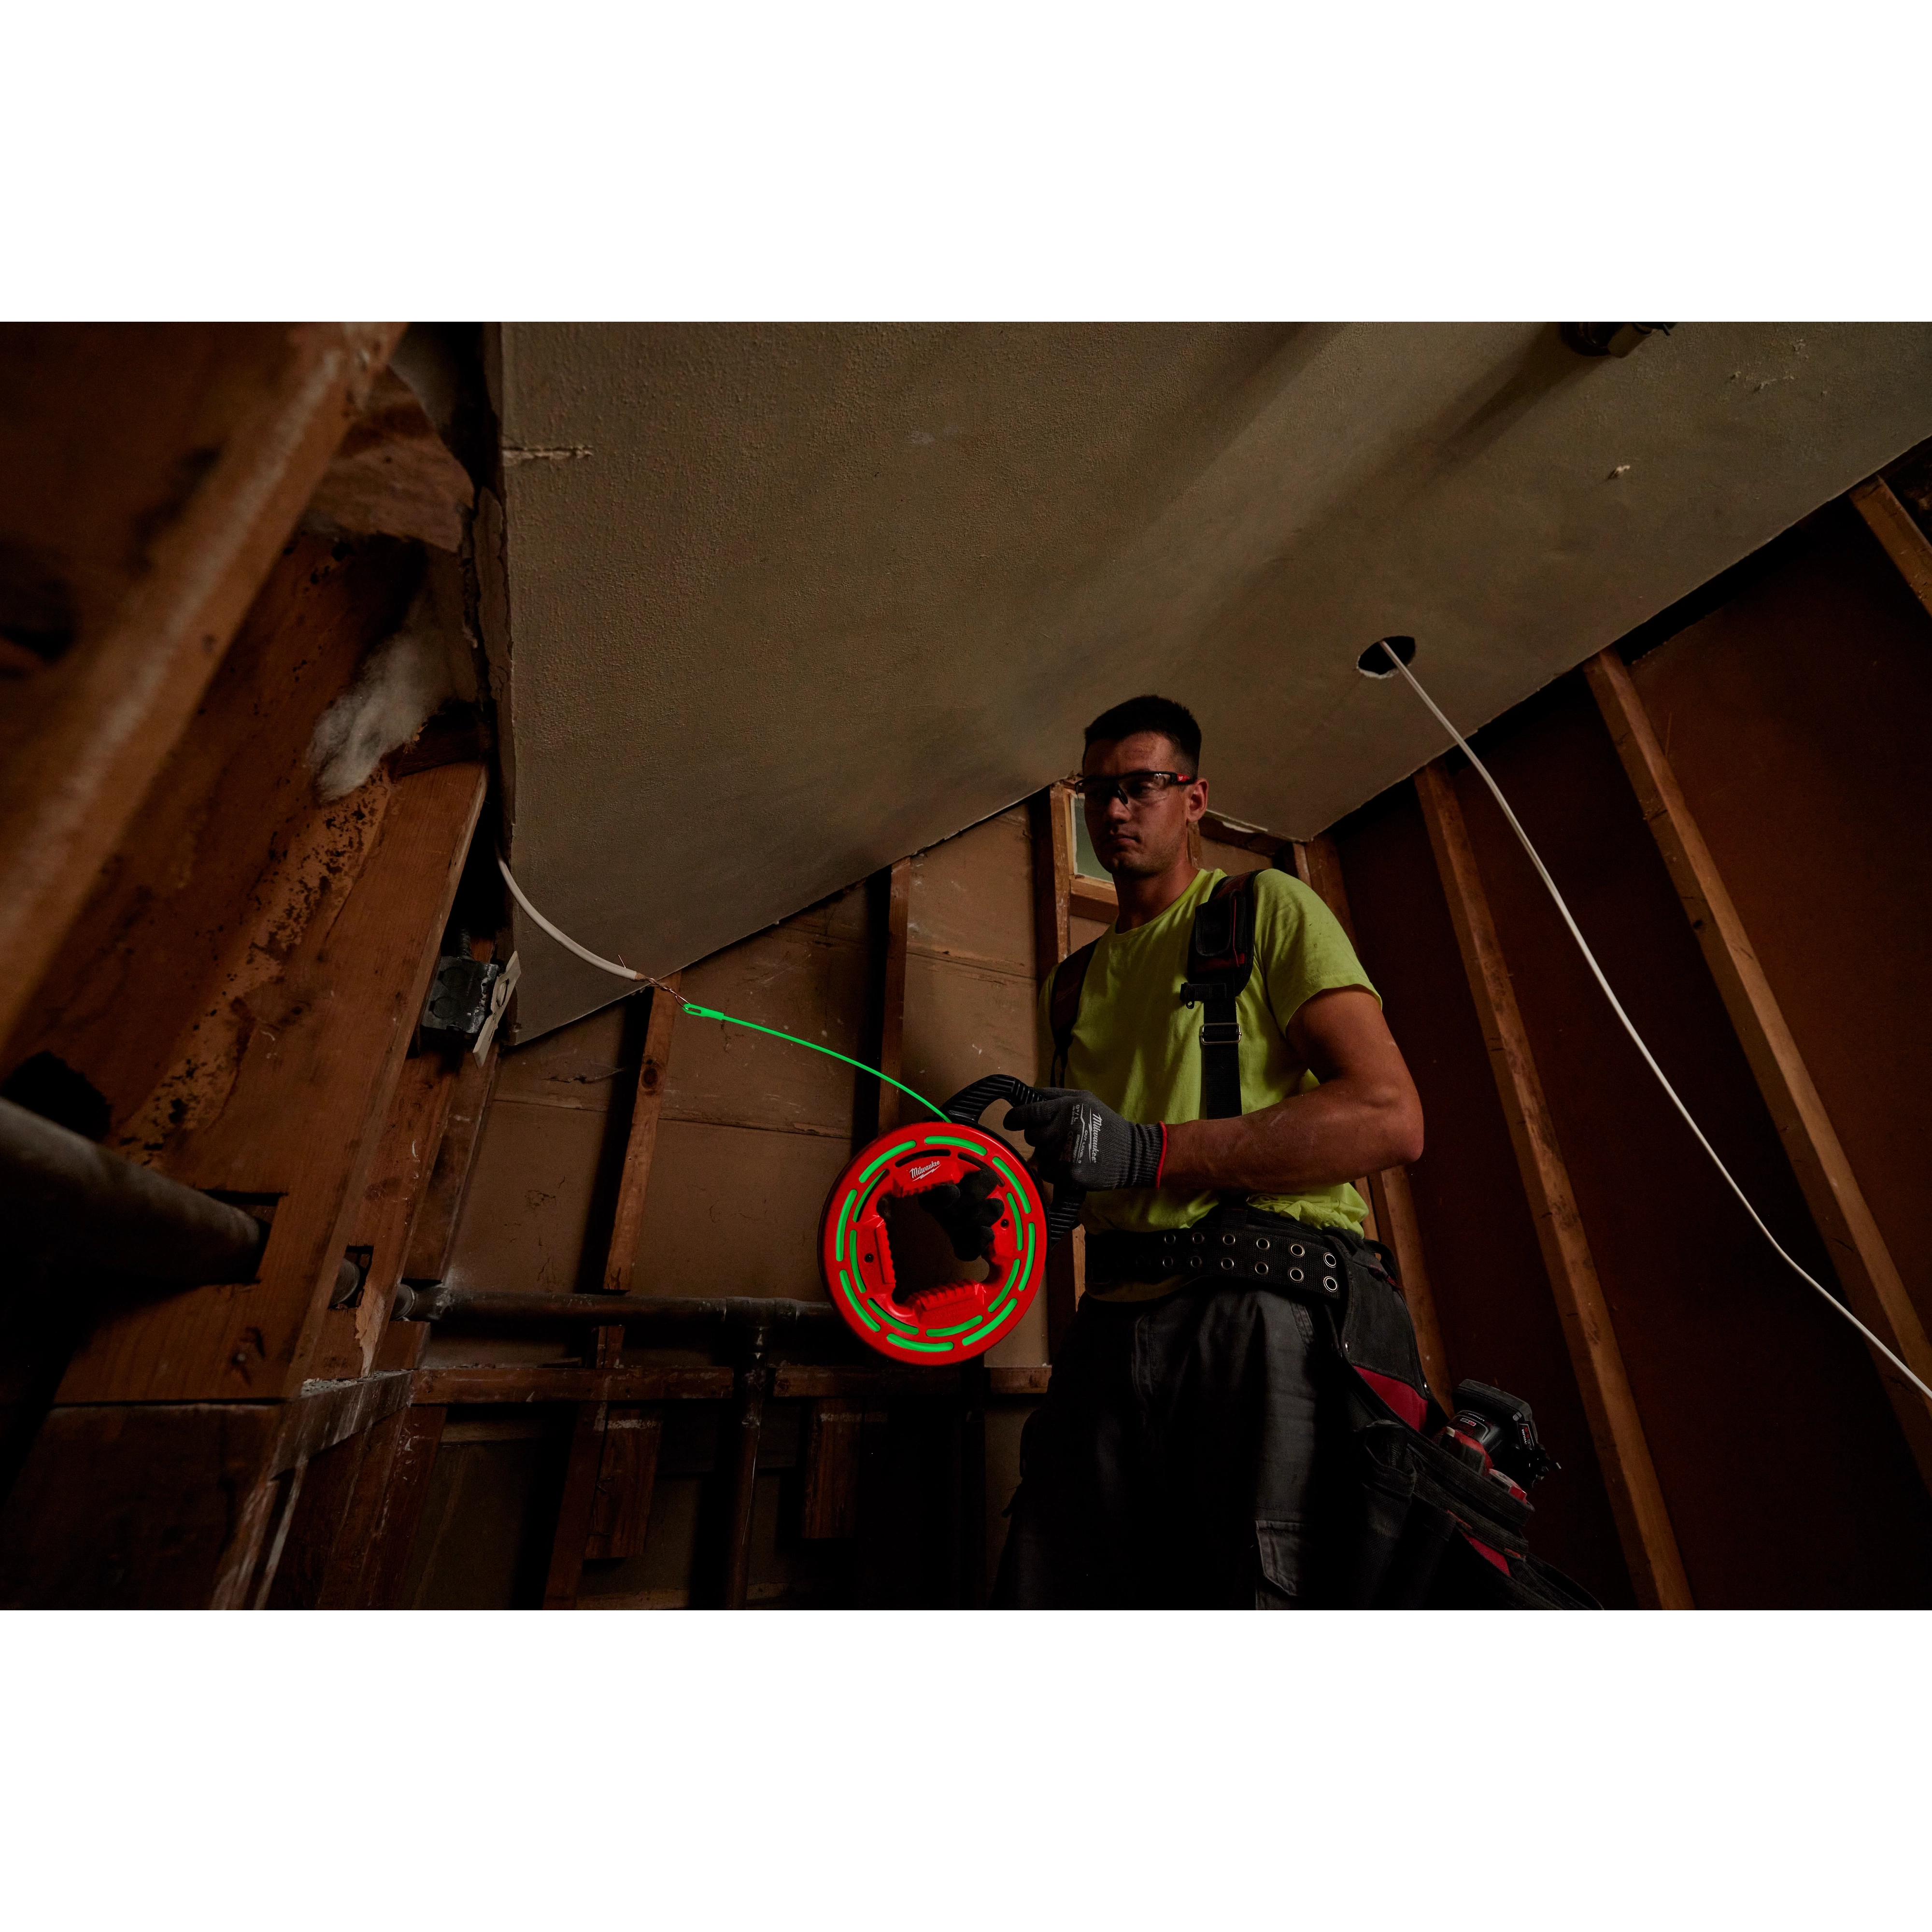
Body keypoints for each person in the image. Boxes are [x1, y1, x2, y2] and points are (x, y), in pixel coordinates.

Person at [991, 694, 1427, 1610]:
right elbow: (1093, 1171)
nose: (1115, 809)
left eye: (1142, 785)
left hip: (1256, 1314)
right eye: (1097, 790)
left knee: (1263, 1588)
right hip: (1109, 1331)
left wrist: (1146, 1150)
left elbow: (1389, 1117)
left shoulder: (1262, 909)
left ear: (1193, 798)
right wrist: (1000, 1201)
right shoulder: (1070, 986)